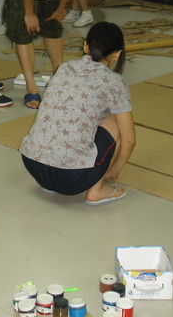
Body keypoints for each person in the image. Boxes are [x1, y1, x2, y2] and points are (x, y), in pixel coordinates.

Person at [19, 22, 135, 205]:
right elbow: (129, 140)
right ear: (117, 54)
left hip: (33, 164)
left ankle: (53, 182)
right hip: (72, 176)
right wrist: (114, 171)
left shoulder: (64, 68)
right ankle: (97, 190)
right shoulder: (114, 82)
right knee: (115, 118)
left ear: (86, 46)